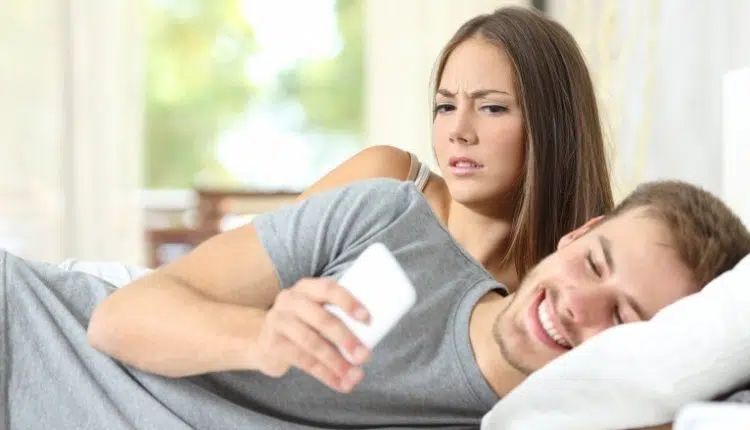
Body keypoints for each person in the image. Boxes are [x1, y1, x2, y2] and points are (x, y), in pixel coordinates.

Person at [27, 178, 736, 430]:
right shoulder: (391, 223)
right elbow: (117, 320)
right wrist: (257, 337)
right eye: (593, 262)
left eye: (623, 317)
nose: (578, 304)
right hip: (26, 329)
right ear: (576, 234)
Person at [295, 6, 613, 292]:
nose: (458, 132)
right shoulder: (384, 179)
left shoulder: (549, 300)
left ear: (554, 126)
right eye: (445, 107)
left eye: (492, 108)